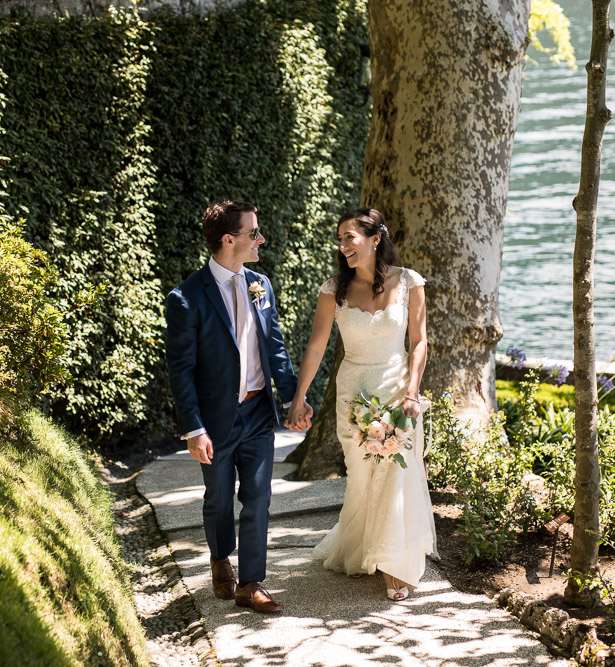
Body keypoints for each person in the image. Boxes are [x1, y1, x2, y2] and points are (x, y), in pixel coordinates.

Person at [165, 200, 312, 614]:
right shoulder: (187, 298)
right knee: (217, 498)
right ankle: (219, 557)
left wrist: (293, 399)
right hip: (215, 419)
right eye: (253, 233)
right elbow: (181, 371)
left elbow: (275, 349)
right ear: (229, 240)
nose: (260, 239)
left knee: (259, 497)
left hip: (259, 413)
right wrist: (194, 429)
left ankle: (251, 583)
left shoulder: (260, 284)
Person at [286, 207, 438, 601]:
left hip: (397, 390)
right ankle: (362, 548)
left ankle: (393, 566)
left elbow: (419, 341)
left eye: (349, 237)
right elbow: (317, 346)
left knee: (395, 475)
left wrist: (413, 391)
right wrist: (299, 396)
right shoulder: (332, 289)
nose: (342, 246)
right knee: (362, 475)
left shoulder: (409, 283)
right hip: (353, 394)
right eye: (339, 240)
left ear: (375, 239)